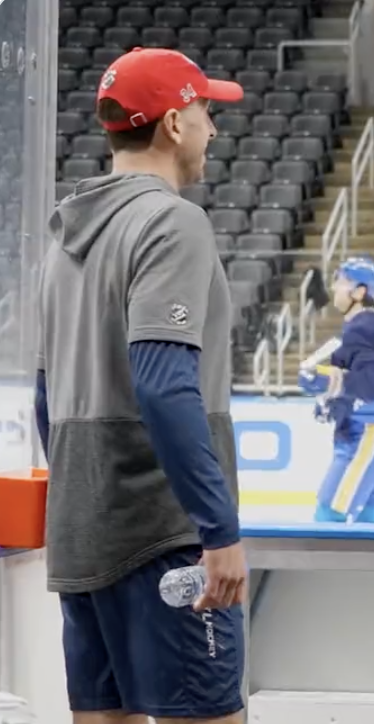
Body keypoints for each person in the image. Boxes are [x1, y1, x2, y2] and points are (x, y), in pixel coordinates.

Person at [34, 48, 247, 722]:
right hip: (164, 536)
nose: (213, 129)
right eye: (206, 111)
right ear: (175, 124)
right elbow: (163, 385)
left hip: (84, 532)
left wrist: (86, 499)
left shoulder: (65, 237)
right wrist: (218, 531)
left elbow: (46, 396)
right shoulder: (172, 221)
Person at [298, 256, 374, 524]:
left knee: (330, 510)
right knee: (370, 517)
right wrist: (329, 402)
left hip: (369, 429)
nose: (335, 287)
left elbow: (371, 382)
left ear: (360, 292)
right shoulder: (363, 325)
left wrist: (322, 381)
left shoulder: (366, 325)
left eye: (342, 282)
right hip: (370, 426)